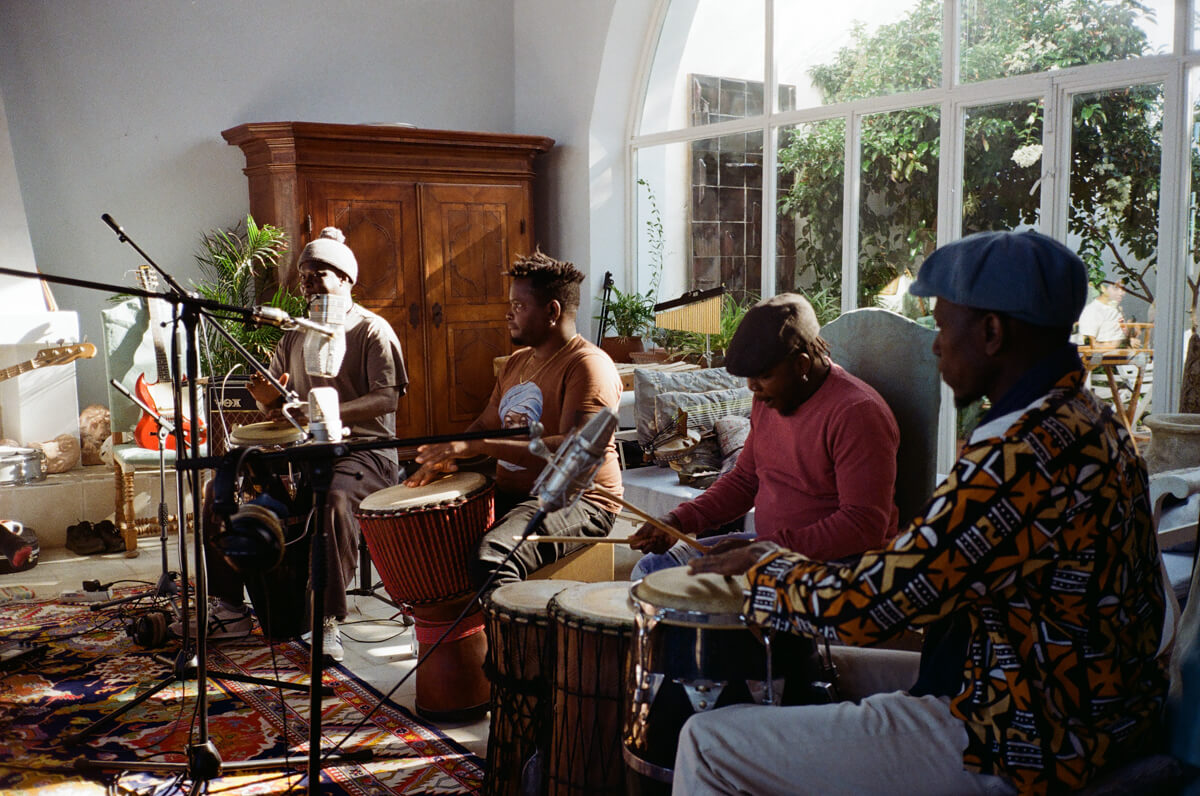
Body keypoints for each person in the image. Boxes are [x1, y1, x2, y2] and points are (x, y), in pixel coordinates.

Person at [677, 230, 1171, 795]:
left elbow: (883, 602)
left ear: (991, 332)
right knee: (805, 669)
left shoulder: (1021, 455)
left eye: (941, 325)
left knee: (706, 741)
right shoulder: (1087, 420)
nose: (935, 346)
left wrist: (764, 576)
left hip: (1027, 734)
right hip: (1049, 689)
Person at [182, 227, 407, 662]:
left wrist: (326, 412)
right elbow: (284, 408)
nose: (307, 284)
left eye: (318, 273)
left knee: (332, 500)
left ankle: (326, 623)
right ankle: (230, 609)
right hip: (300, 453)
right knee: (218, 490)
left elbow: (387, 398)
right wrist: (269, 402)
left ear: (345, 279)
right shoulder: (293, 335)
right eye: (303, 275)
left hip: (363, 453)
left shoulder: (372, 330)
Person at [627, 292, 901, 578]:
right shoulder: (770, 399)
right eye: (749, 378)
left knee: (687, 601)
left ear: (802, 365)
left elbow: (863, 526)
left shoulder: (857, 414)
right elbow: (745, 481)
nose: (752, 388)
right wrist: (677, 521)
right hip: (771, 552)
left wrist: (764, 551)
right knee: (652, 571)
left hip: (839, 567)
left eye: (764, 376)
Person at [404, 249, 622, 591]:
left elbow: (573, 450)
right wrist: (448, 456)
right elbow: (485, 425)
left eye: (519, 306)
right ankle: (471, 643)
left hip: (581, 501)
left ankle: (524, 643)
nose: (508, 314)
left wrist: (476, 445)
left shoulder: (587, 365)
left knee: (492, 558)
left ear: (552, 311)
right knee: (431, 538)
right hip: (516, 494)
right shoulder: (515, 363)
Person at [1076, 280, 1137, 349]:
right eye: (1115, 288)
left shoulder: (1116, 309)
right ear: (1103, 288)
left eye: (1123, 289)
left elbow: (1121, 333)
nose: (1122, 293)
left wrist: (1129, 340)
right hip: (1104, 356)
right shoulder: (1093, 310)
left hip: (1120, 354)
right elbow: (1093, 346)